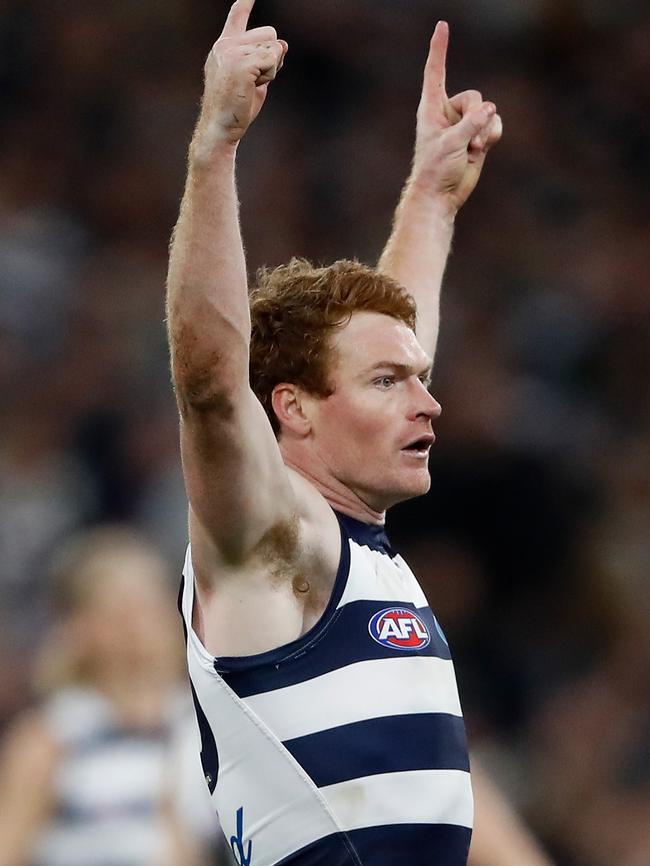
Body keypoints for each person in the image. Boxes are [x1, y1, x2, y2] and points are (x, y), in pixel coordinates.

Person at [167, 2, 553, 864]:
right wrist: (217, 145)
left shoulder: (353, 546)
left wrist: (431, 199)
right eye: (390, 385)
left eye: (419, 381)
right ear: (293, 408)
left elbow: (395, 343)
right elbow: (209, 386)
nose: (430, 401)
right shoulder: (274, 542)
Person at [0, 528, 211, 866]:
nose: (136, 626)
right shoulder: (52, 736)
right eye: (117, 610)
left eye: (147, 605)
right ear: (78, 627)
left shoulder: (203, 726)